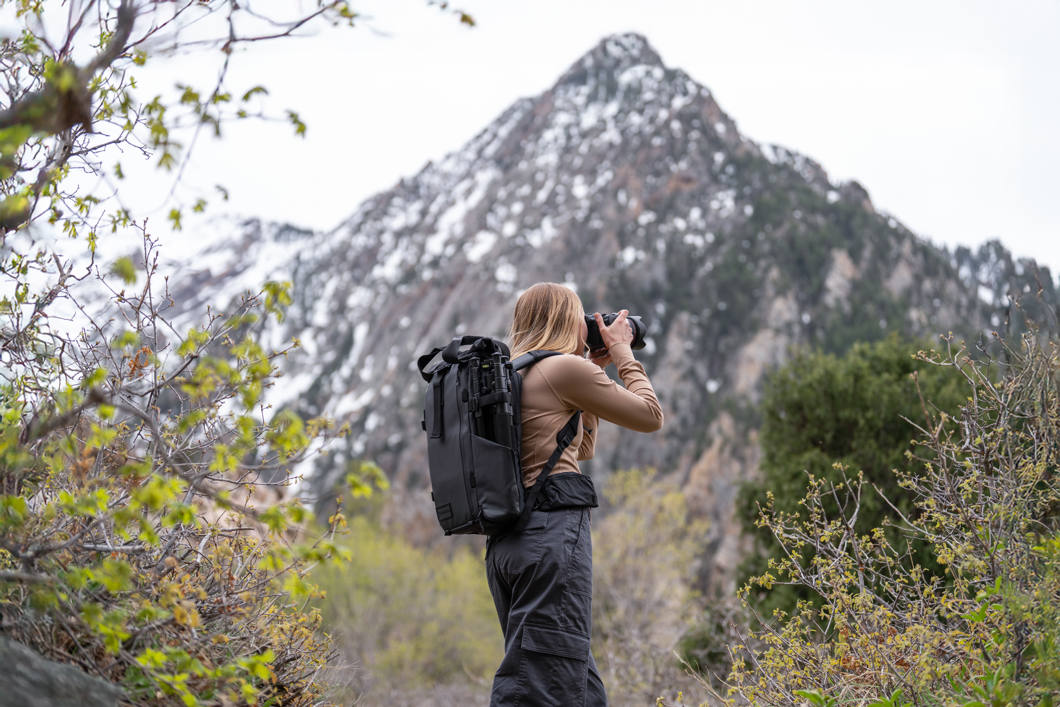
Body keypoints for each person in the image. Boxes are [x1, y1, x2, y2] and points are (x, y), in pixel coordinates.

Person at [486, 282, 664, 706]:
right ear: (567, 320)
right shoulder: (563, 369)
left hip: (508, 544)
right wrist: (622, 352)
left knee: (574, 684)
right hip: (551, 536)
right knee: (541, 689)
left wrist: (594, 369)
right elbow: (650, 415)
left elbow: (579, 448)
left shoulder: (513, 373)